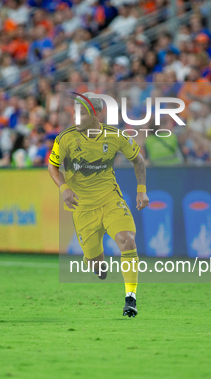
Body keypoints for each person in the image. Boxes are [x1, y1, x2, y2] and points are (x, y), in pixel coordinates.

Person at [47, 92, 149, 318]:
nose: (76, 117)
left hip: (110, 200)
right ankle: (97, 264)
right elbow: (52, 166)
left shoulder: (114, 136)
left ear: (96, 115)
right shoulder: (65, 138)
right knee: (97, 266)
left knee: (127, 240)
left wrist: (141, 189)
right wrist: (64, 188)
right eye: (75, 112)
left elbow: (138, 159)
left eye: (81, 113)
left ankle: (130, 299)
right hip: (82, 209)